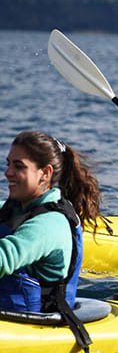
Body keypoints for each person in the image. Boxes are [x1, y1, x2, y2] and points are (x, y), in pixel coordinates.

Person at [0, 131, 101, 313]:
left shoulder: (48, 225)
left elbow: (3, 259)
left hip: (29, 323)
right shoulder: (16, 208)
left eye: (19, 166)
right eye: (8, 164)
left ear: (45, 173)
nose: (8, 173)